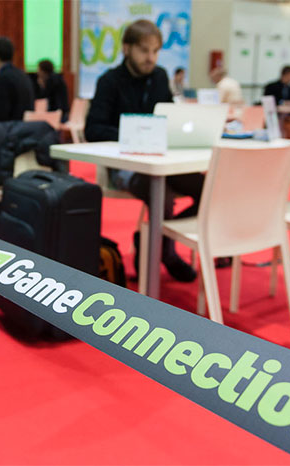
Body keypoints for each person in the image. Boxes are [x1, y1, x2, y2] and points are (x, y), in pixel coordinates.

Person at [85, 19, 200, 282]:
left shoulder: (159, 77)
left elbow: (170, 117)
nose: (151, 58)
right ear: (127, 48)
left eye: (156, 51)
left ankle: (152, 240)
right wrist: (136, 135)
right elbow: (94, 129)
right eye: (144, 50)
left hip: (161, 160)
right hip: (123, 165)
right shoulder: (109, 81)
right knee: (162, 194)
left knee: (208, 189)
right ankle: (167, 253)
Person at [0, 36, 35, 122]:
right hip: (26, 127)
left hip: (10, 128)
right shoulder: (23, 75)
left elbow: (0, 115)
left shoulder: (3, 78)